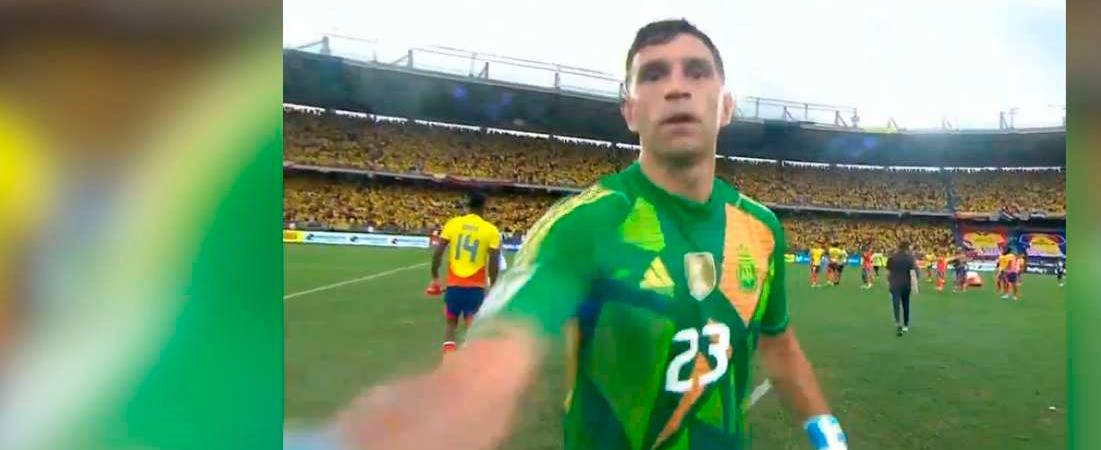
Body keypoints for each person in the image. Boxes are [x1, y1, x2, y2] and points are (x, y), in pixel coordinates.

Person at [295, 19, 847, 450]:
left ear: (725, 105)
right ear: (630, 111)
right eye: (654, 75)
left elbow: (778, 341)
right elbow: (501, 349)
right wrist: (442, 410)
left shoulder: (762, 229)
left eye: (697, 72)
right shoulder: (582, 224)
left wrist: (825, 427)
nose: (677, 88)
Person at [426, 191, 502, 353]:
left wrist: (435, 276)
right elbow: (494, 262)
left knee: (450, 325)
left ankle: (448, 363)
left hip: (454, 286)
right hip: (475, 288)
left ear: (468, 206)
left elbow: (438, 252)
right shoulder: (490, 230)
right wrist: (494, 285)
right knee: (472, 327)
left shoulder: (453, 224)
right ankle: (471, 365)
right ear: (484, 207)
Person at [886, 243, 920, 336]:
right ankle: (905, 325)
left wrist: (889, 282)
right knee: (906, 304)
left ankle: (898, 324)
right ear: (907, 248)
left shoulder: (891, 258)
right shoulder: (910, 258)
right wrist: (915, 287)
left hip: (895, 284)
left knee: (896, 304)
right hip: (906, 284)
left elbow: (888, 273)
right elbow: (913, 273)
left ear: (898, 247)